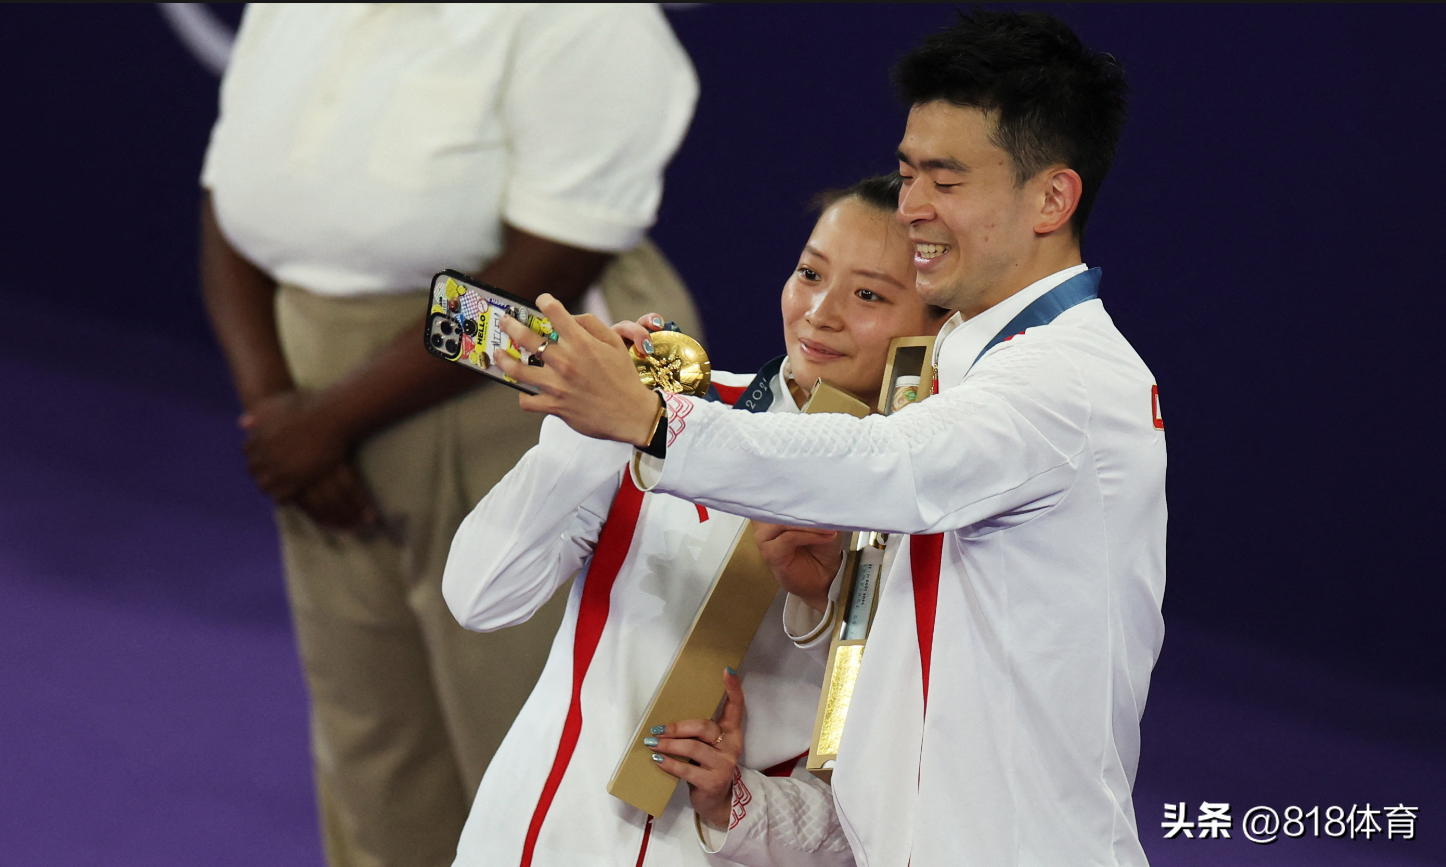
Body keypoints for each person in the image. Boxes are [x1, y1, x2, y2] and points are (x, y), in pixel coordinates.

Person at [491, 10, 1165, 867]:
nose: (912, 208)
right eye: (908, 171)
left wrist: (650, 417)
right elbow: (882, 783)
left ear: (1052, 198)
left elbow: (889, 466)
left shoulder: (1063, 383)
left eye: (947, 182)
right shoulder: (955, 371)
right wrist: (805, 638)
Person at [197, 5, 699, 866]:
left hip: (513, 389)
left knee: (535, 740)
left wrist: (328, 421)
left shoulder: (590, 21)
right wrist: (275, 403)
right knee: (371, 738)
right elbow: (233, 198)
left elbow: (558, 261)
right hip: (309, 392)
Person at [441, 175, 950, 867]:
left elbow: (876, 823)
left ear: (939, 327)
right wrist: (589, 424)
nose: (819, 313)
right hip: (528, 840)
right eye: (809, 273)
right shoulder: (677, 416)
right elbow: (480, 597)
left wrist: (734, 800)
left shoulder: (931, 520)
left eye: (869, 295)